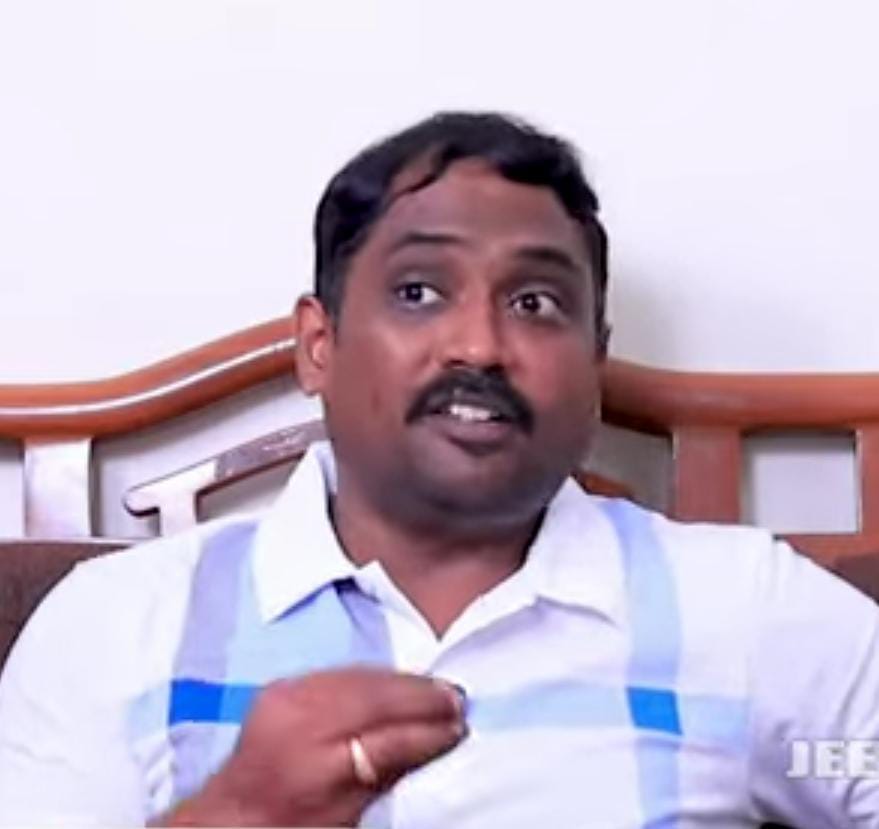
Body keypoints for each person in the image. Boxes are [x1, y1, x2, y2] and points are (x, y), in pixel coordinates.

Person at [0, 112, 877, 829]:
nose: (479, 346)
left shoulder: (750, 615)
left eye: (534, 302)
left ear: (593, 364)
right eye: (418, 291)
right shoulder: (115, 627)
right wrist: (235, 817)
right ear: (318, 345)